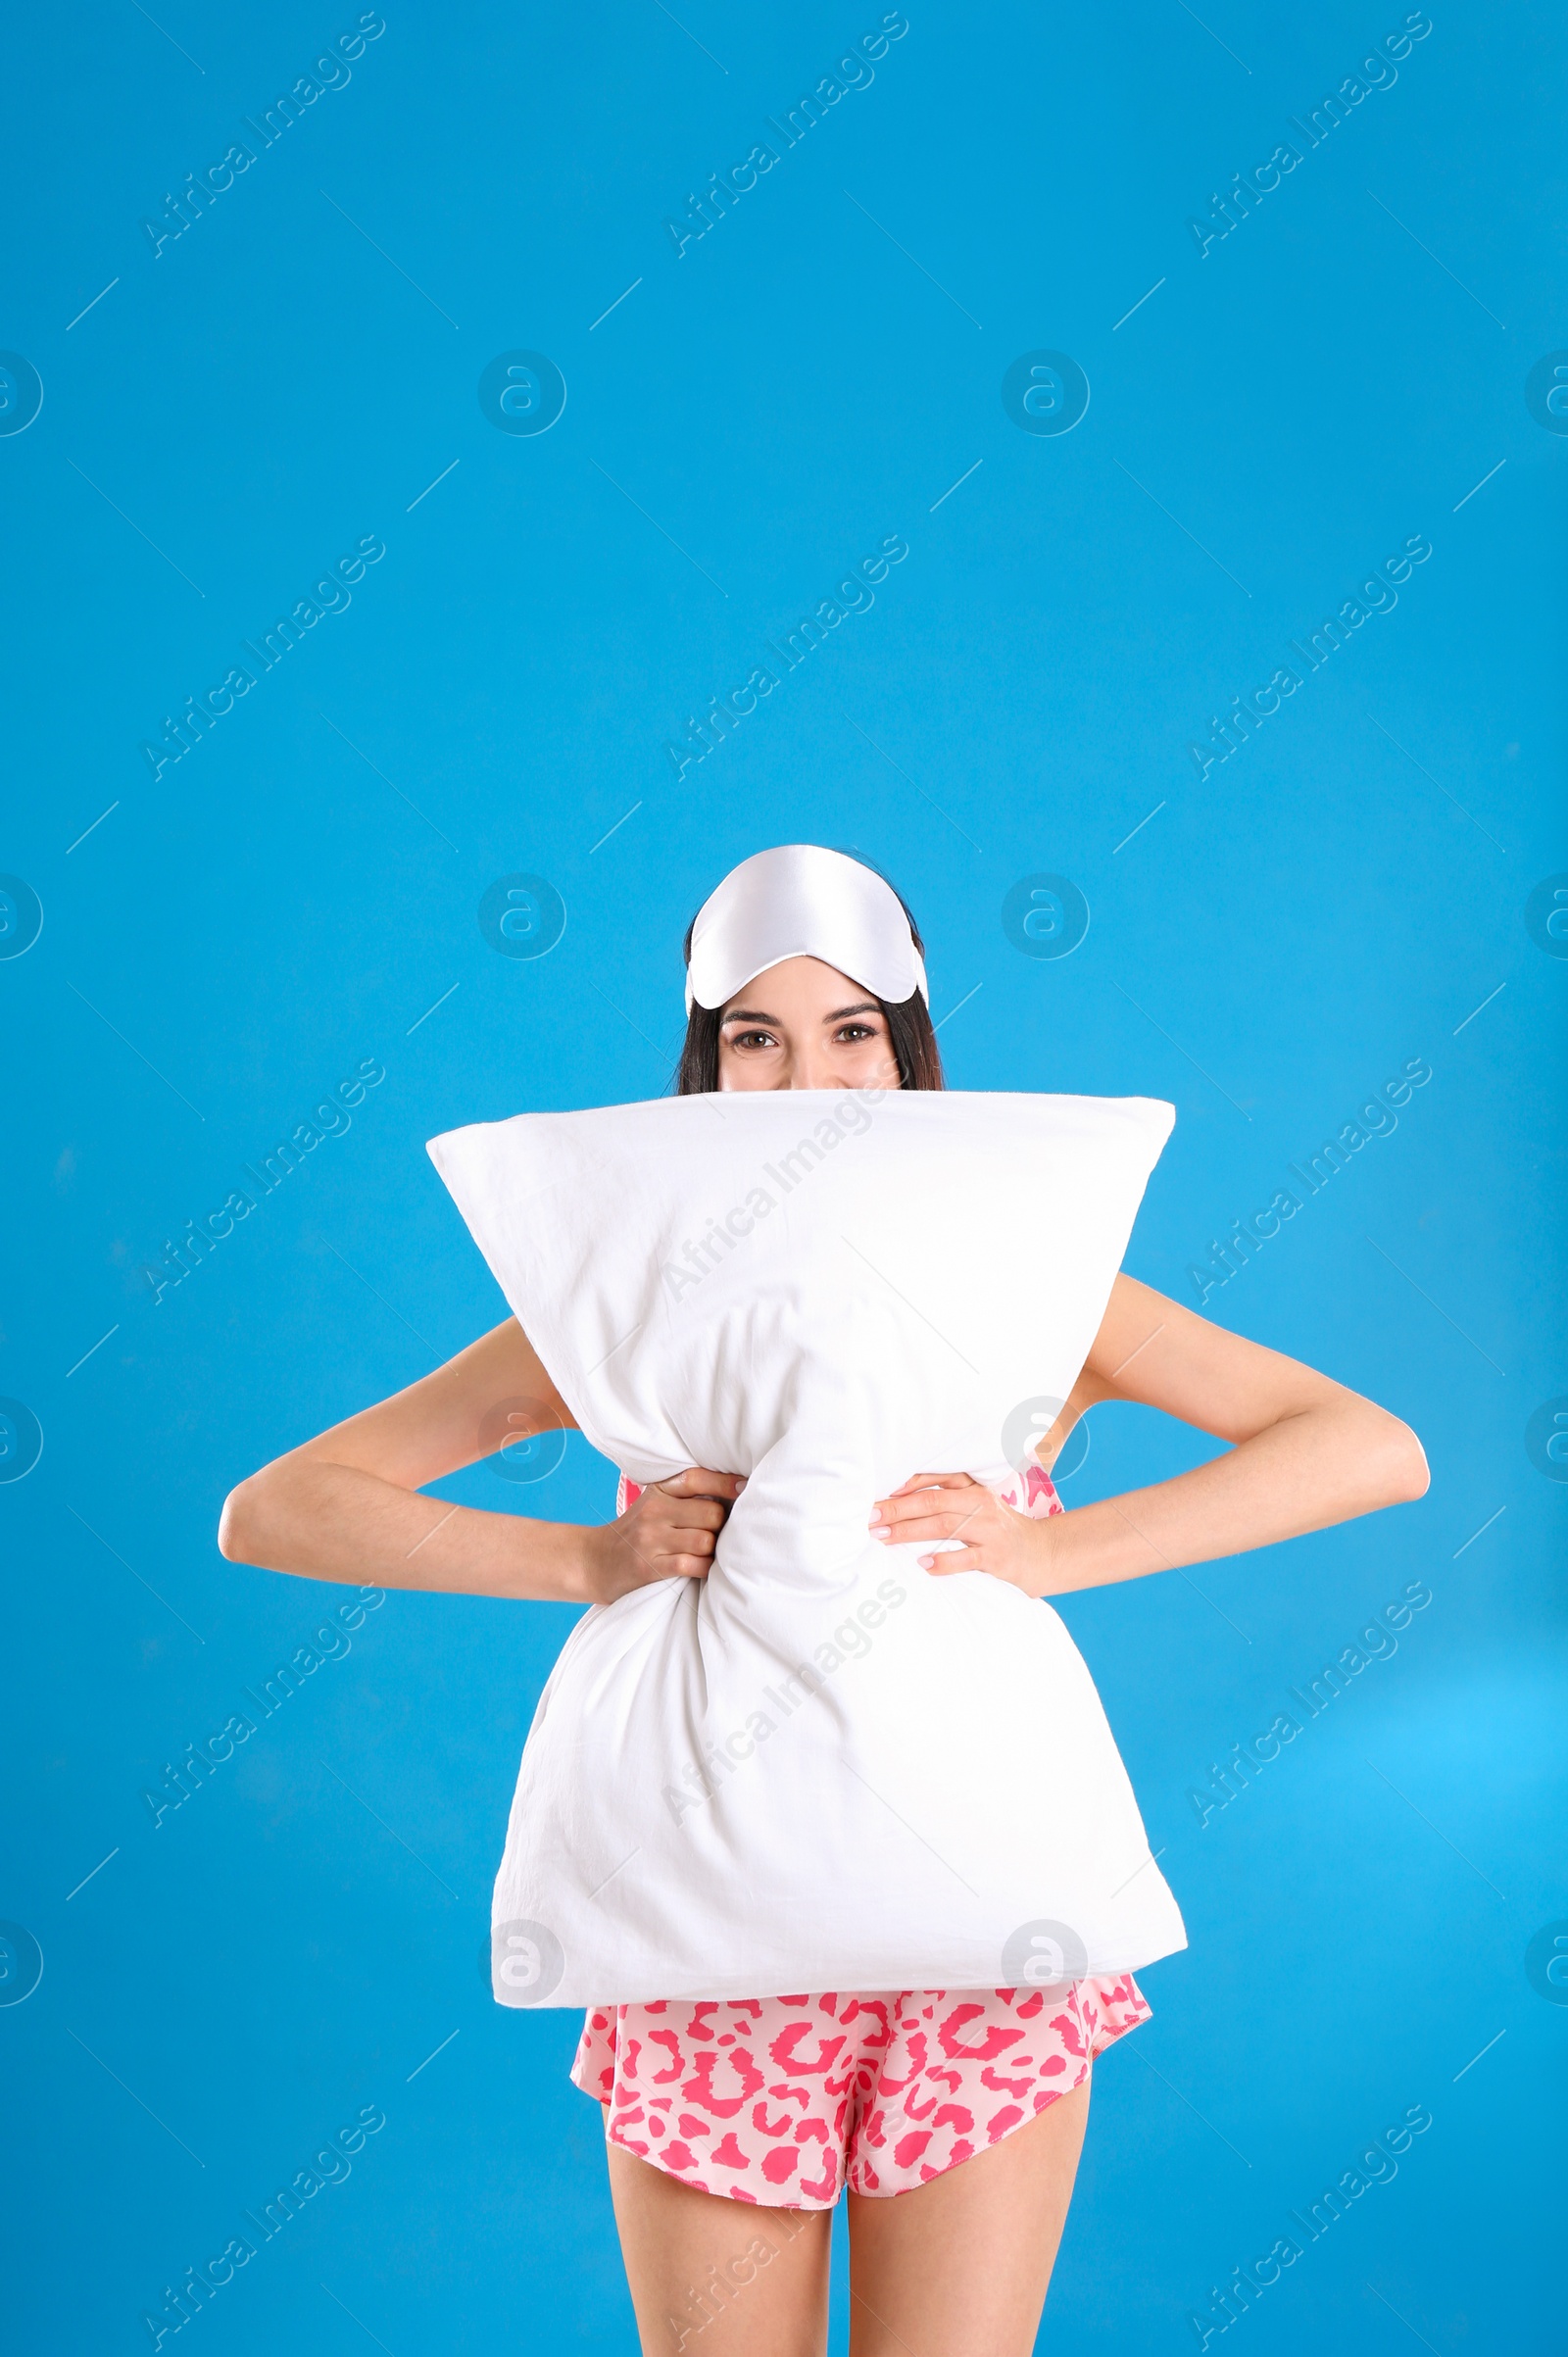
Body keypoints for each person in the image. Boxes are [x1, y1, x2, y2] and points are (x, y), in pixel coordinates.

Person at [220, 846, 1428, 2357]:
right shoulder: (625, 1298)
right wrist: (588, 1562)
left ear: (910, 1048)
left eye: (851, 1029)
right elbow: (276, 1507)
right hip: (709, 1937)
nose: (806, 1078)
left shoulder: (1023, 1271)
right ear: (704, 1066)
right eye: (756, 1037)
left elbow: (1368, 1446)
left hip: (978, 1946)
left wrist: (1058, 1547)